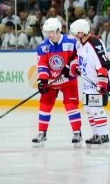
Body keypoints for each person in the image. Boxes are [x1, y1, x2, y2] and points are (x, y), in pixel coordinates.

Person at [33, 17, 82, 147]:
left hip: (68, 80)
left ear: (59, 30)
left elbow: (78, 57)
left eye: (51, 31)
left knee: (71, 105)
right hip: (52, 82)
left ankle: (77, 132)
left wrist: (73, 67)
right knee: (45, 105)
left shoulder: (71, 42)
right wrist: (43, 80)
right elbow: (42, 64)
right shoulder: (43, 46)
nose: (49, 35)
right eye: (47, 32)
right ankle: (42, 132)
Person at [69, 19, 110, 146]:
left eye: (75, 33)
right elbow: (78, 58)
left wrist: (102, 82)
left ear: (81, 32)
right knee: (88, 109)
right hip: (88, 84)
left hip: (97, 83)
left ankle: (103, 135)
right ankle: (96, 134)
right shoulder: (81, 44)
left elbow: (104, 63)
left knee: (96, 109)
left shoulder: (95, 43)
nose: (74, 35)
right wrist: (75, 65)